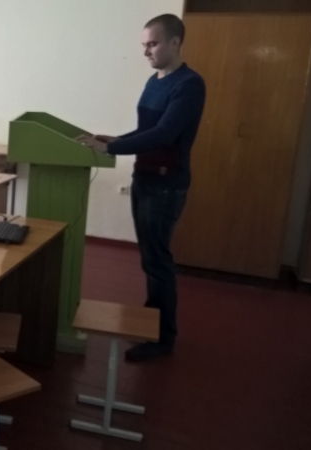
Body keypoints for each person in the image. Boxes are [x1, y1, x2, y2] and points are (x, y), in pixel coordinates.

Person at [77, 14, 206, 362]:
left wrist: (113, 149)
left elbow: (165, 134)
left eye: (153, 44)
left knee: (157, 262)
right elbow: (147, 130)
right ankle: (152, 324)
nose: (146, 51)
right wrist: (114, 139)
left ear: (175, 42)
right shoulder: (154, 81)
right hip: (145, 178)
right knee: (150, 260)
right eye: (144, 45)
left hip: (165, 185)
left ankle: (163, 337)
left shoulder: (189, 84)